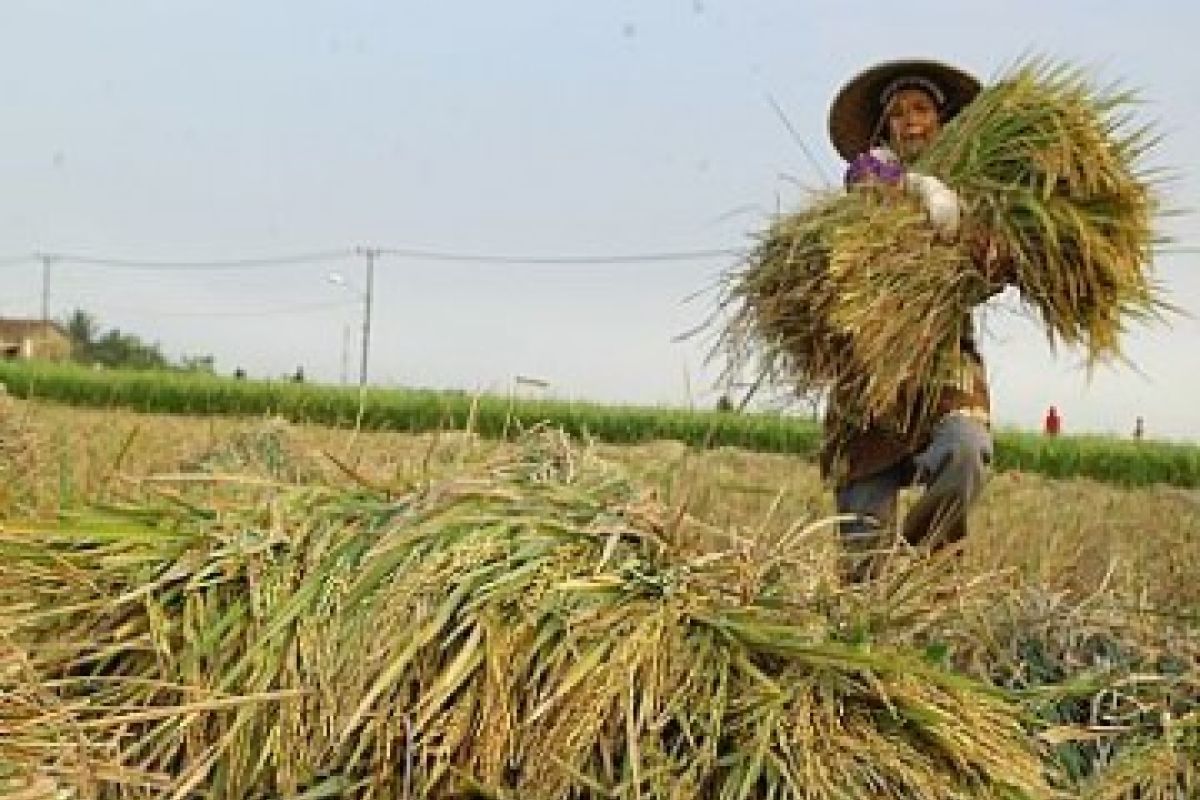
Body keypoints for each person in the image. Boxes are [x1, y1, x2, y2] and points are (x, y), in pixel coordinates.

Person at [820, 59, 1013, 582]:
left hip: (943, 365)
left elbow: (1000, 266)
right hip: (869, 381)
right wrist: (922, 189)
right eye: (899, 113)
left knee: (966, 451)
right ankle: (871, 625)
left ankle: (921, 569)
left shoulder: (976, 201)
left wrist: (969, 233)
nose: (910, 121)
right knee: (861, 567)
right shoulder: (871, 177)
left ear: (943, 123)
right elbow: (867, 182)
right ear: (885, 127)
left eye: (922, 109)